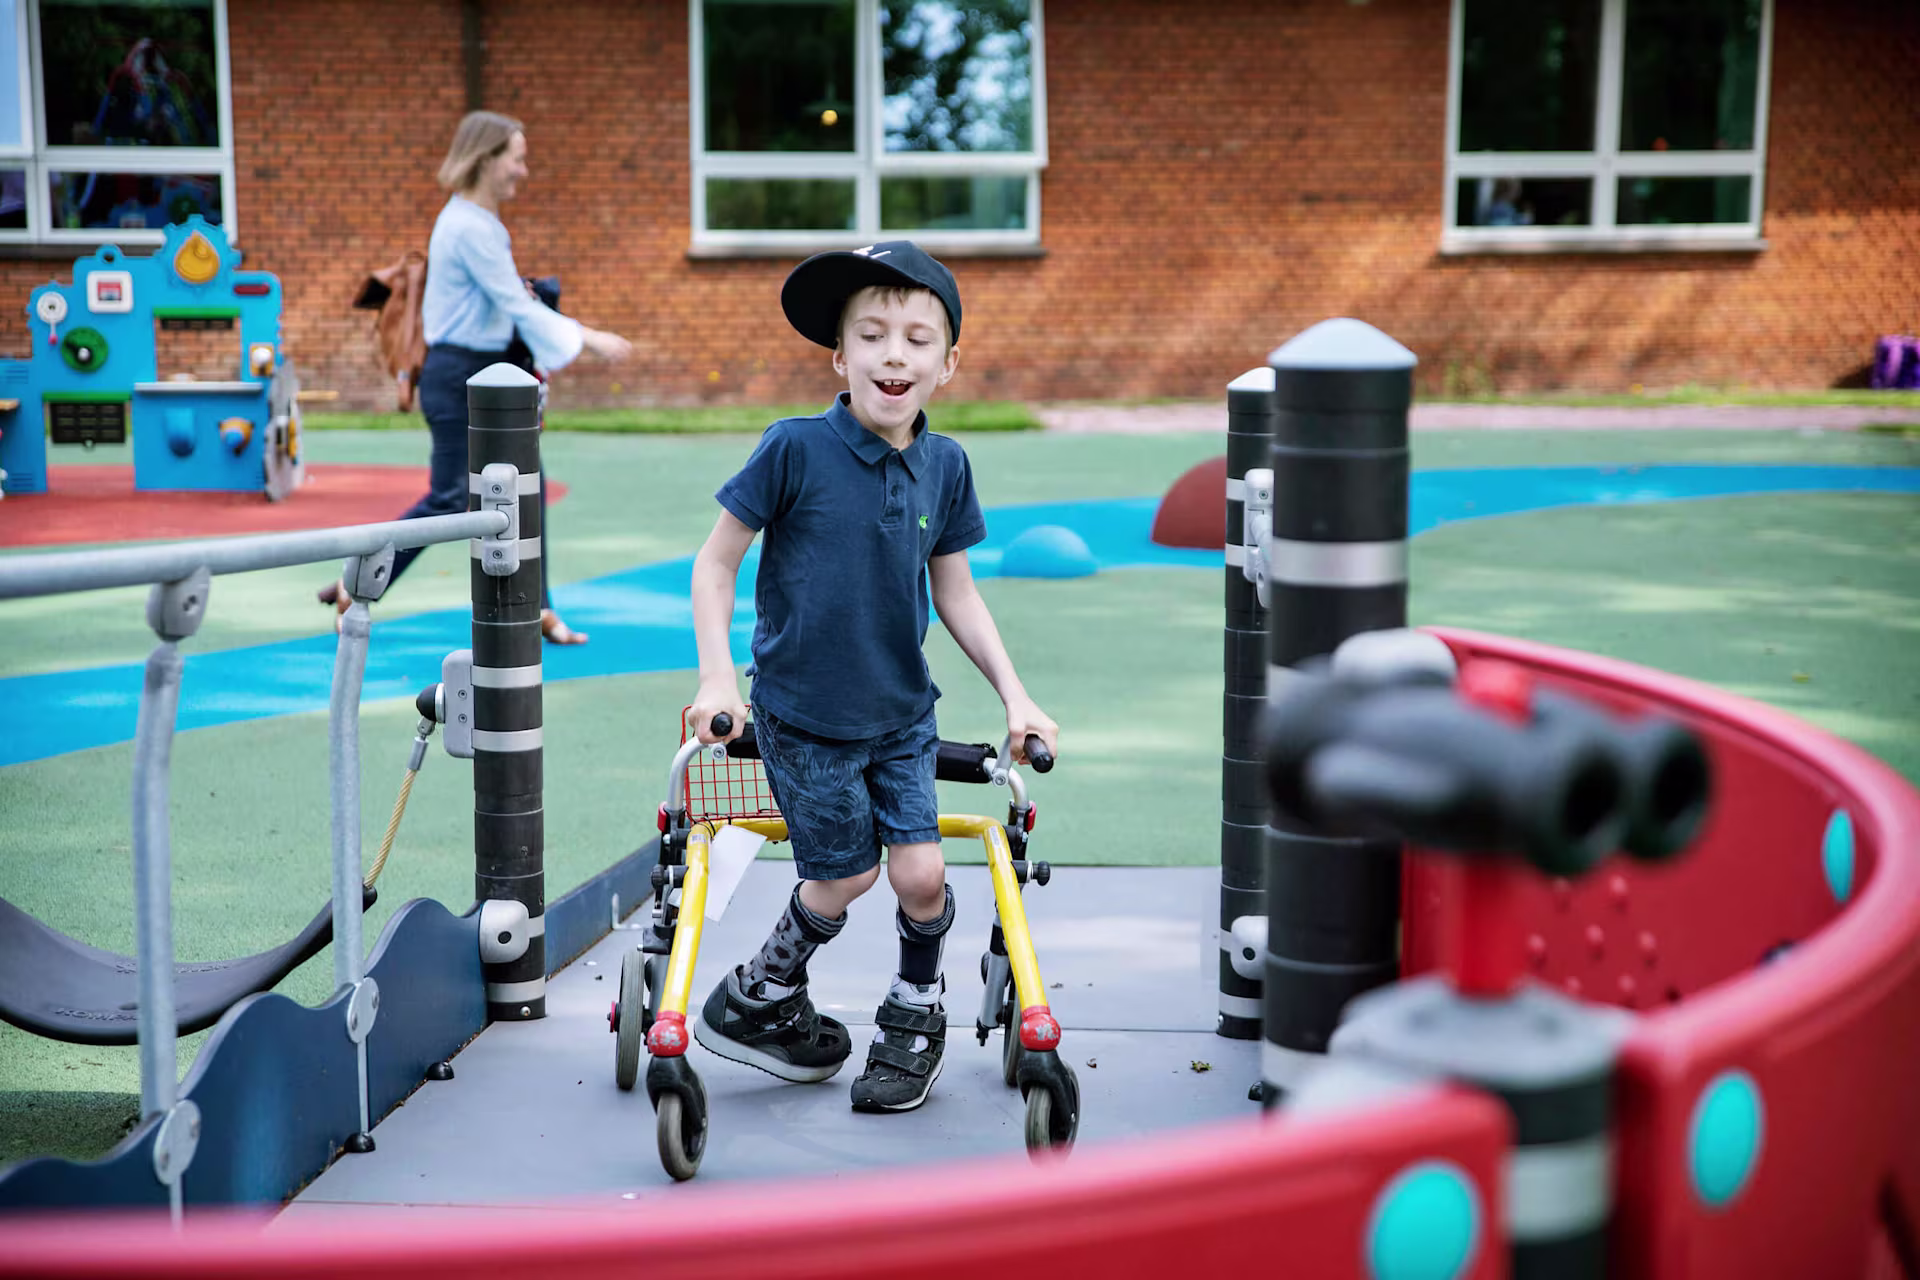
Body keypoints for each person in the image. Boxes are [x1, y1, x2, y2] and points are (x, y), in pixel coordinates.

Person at [686, 242, 1057, 1114]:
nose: (896, 355)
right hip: (802, 714)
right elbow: (714, 567)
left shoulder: (945, 464)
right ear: (839, 357)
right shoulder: (794, 449)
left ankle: (915, 1011)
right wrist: (716, 682)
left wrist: (1016, 694)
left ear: (948, 364)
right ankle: (760, 991)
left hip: (900, 715)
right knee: (846, 875)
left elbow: (956, 593)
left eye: (918, 339)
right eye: (874, 336)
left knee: (922, 877)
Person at [322, 110, 632, 642]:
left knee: (524, 490)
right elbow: (515, 304)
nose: (523, 170)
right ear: (486, 159)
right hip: (457, 377)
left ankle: (537, 609)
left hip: (485, 376)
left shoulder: (479, 224)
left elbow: (509, 308)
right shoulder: (467, 227)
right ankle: (359, 581)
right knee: (449, 499)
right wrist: (589, 337)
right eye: (517, 157)